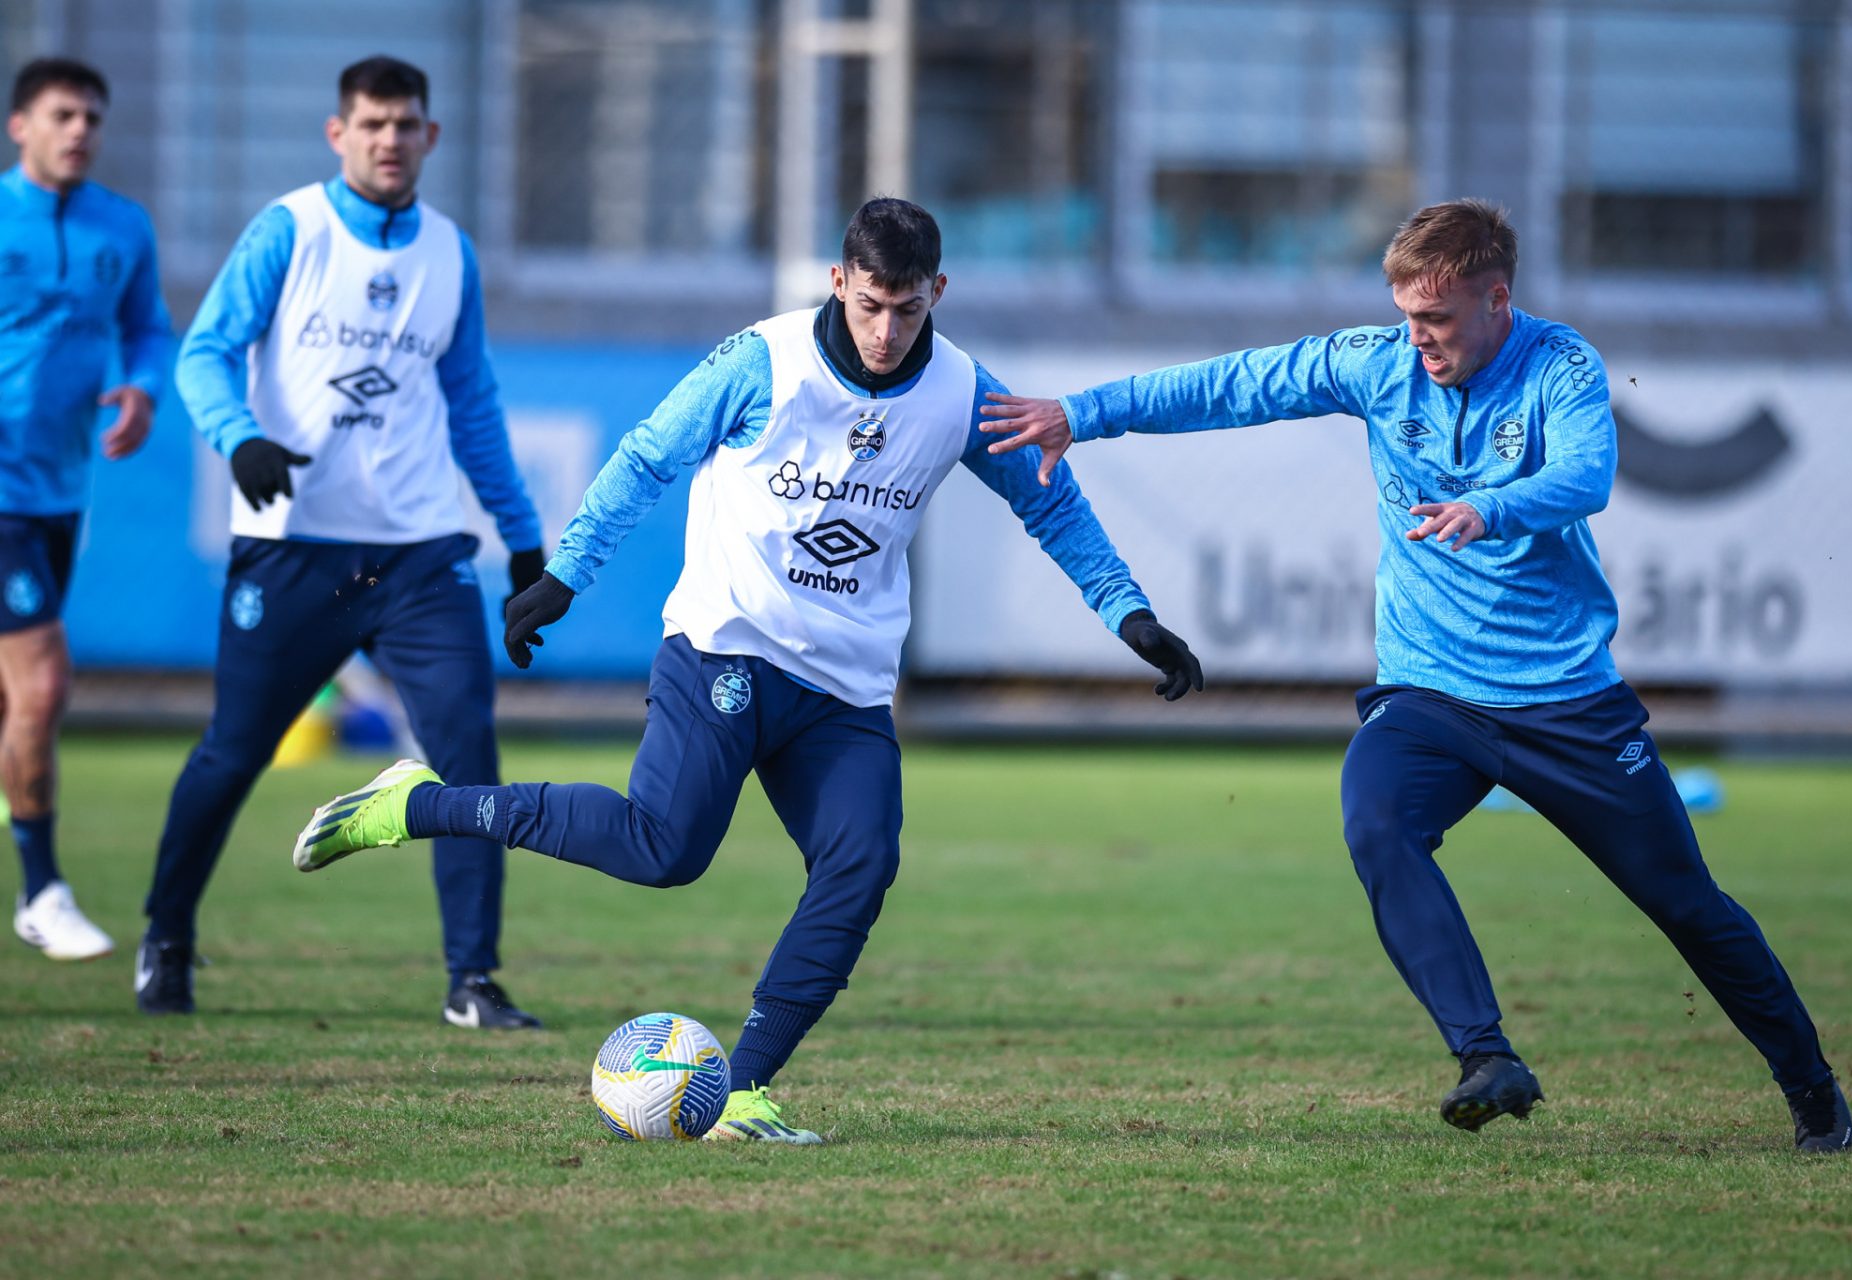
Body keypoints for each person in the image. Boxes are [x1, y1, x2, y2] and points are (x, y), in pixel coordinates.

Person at [293, 197, 1204, 1142]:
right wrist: (567, 574)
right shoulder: (763, 362)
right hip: (726, 645)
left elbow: (1050, 505)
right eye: (870, 305)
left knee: (861, 862)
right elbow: (649, 457)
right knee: (663, 851)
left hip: (845, 687)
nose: (887, 331)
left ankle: (742, 1093)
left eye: (908, 309)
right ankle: (416, 805)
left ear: (938, 293)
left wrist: (1127, 612)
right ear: (840, 281)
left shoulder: (965, 393)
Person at [977, 198, 1852, 1154]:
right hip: (1429, 694)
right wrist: (1081, 414)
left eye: (1435, 319)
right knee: (1376, 820)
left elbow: (1589, 476)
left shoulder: (1561, 366)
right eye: (1406, 316)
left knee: (1687, 905)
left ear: (1497, 298)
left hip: (1567, 700)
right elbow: (1236, 385)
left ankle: (1813, 1091)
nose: (1418, 338)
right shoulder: (1380, 363)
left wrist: (1488, 508)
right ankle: (1486, 1056)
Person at [138, 56, 548, 1028]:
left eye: (407, 124)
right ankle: (166, 938)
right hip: (294, 552)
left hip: (418, 556)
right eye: (371, 124)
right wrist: (239, 438)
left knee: (467, 757)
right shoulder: (290, 229)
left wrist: (526, 541)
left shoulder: (450, 253)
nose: (390, 140)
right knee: (234, 752)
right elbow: (203, 353)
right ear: (337, 133)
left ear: (432, 137)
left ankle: (473, 980)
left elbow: (474, 405)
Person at [3, 58, 171, 961]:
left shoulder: (121, 226)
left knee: (14, 697)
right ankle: (42, 892)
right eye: (62, 114)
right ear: (18, 126)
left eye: (92, 117)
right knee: (44, 684)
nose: (79, 130)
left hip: (58, 492)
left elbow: (148, 326)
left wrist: (141, 387)